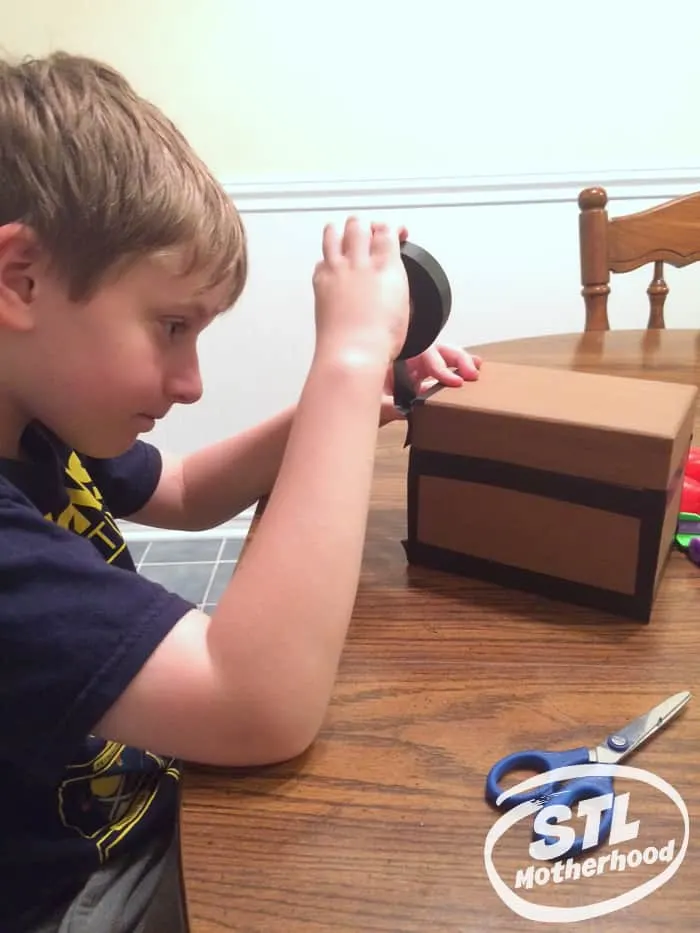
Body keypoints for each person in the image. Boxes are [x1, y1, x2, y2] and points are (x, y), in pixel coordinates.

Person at [0, 51, 481, 932]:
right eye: (172, 326)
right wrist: (340, 360)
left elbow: (182, 489)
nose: (190, 383)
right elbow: (259, 703)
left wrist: (363, 396)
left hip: (140, 798)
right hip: (77, 894)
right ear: (20, 279)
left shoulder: (34, 421)